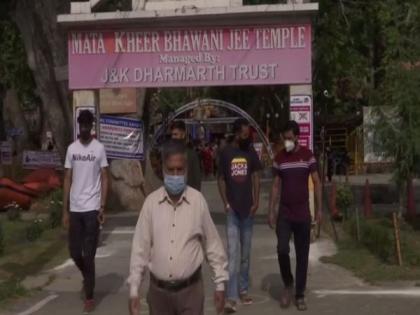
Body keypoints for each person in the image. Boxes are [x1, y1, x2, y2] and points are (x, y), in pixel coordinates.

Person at [128, 139, 228, 315]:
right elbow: (140, 249)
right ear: (163, 170)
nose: (175, 175)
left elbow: (212, 244)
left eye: (180, 170)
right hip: (158, 295)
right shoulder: (151, 204)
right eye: (171, 170)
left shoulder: (198, 202)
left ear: (186, 170)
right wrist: (134, 289)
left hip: (191, 293)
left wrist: (220, 283)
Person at [268, 120, 322, 311]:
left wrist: (320, 210)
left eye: (290, 138)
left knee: (302, 255)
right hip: (284, 213)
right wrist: (271, 210)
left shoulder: (308, 156)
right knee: (282, 249)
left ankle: (299, 294)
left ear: (297, 137)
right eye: (285, 138)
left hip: (302, 213)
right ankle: (288, 283)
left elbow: (316, 182)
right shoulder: (279, 157)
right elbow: (275, 185)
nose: (287, 142)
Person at [62, 110, 109, 313]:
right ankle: (87, 276)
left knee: (88, 256)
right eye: (81, 124)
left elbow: (105, 177)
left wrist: (102, 206)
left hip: (91, 210)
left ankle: (89, 296)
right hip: (75, 209)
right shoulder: (71, 149)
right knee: (74, 252)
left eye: (87, 125)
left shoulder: (99, 149)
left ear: (91, 126)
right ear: (78, 125)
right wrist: (64, 210)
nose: (84, 128)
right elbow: (67, 179)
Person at [217, 119, 262, 313]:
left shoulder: (250, 151)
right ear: (236, 134)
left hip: (248, 211)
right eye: (244, 134)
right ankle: (232, 297)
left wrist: (257, 200)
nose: (247, 137)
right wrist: (225, 203)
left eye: (248, 134)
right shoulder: (226, 153)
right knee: (233, 254)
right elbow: (220, 179)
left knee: (245, 254)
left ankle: (243, 289)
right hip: (233, 212)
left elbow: (256, 176)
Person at [170, 121, 202, 191]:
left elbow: (197, 179)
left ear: (183, 135)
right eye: (172, 135)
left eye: (176, 134)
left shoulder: (191, 154)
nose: (173, 137)